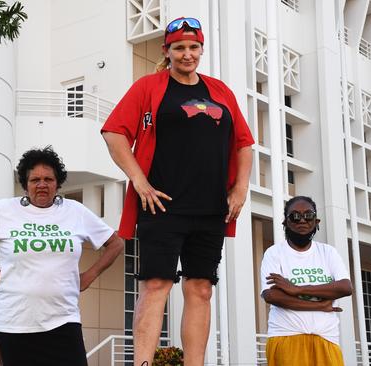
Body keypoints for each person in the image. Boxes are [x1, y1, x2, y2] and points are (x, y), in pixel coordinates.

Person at [101, 16, 254, 366]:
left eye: (193, 47)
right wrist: (139, 180)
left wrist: (240, 189)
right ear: (166, 51)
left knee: (200, 290)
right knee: (156, 287)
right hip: (161, 207)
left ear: (201, 49)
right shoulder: (148, 87)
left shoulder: (220, 91)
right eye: (179, 48)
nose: (187, 54)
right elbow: (114, 133)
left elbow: (244, 144)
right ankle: (141, 363)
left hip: (211, 209)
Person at [0, 146, 124, 366]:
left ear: (58, 183)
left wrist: (90, 275)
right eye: (35, 180)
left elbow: (115, 243)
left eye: (49, 179)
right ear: (26, 185)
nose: (42, 184)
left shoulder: (75, 211)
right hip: (15, 325)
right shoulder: (3, 211)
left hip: (64, 321)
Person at [260, 196, 353, 366]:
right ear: (285, 222)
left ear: (316, 221)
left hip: (327, 338)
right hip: (286, 336)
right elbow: (272, 296)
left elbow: (345, 287)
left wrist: (297, 289)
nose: (302, 220)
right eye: (295, 216)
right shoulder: (274, 253)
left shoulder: (328, 252)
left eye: (308, 215)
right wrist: (318, 305)